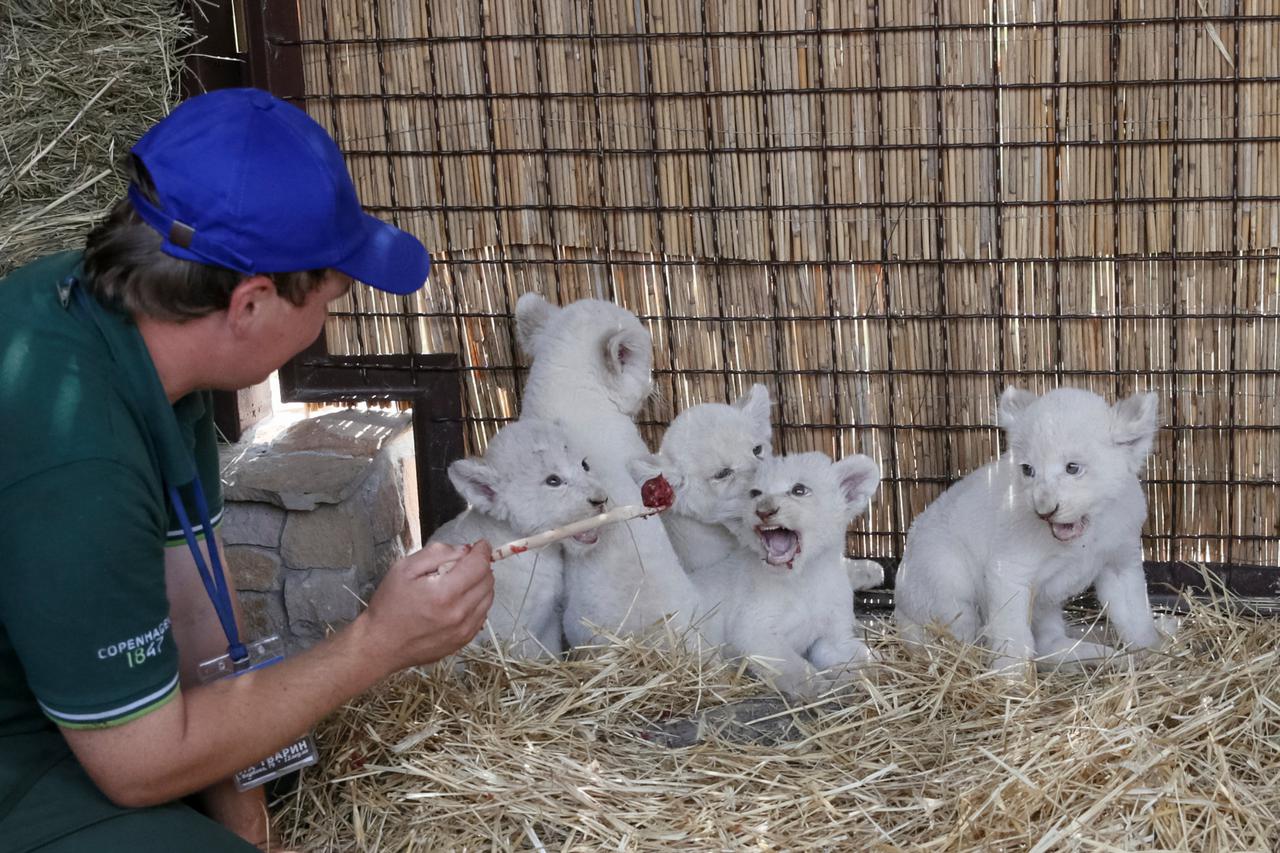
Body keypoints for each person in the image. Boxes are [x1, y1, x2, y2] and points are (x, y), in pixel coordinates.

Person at [0, 88, 495, 851]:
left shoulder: (137, 329)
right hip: (28, 751)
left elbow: (197, 614)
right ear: (253, 303)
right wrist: (377, 642)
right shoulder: (79, 454)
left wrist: (255, 831)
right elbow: (138, 765)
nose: (324, 324)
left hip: (54, 691)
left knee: (276, 756)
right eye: (330, 297)